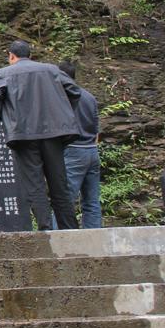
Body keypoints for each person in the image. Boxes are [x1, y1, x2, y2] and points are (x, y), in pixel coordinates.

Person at [0, 40, 82, 230]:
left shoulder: (4, 73)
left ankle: (45, 228)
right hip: (54, 133)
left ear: (11, 56)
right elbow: (74, 91)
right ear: (30, 55)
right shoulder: (51, 70)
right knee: (58, 183)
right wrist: (61, 114)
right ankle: (70, 229)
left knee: (34, 183)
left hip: (24, 136)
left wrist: (6, 118)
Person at [58, 61, 102, 228]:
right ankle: (95, 238)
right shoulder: (89, 96)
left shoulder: (64, 96)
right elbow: (96, 129)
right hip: (92, 151)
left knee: (64, 200)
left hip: (73, 151)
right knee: (92, 201)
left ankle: (59, 239)